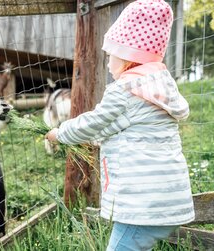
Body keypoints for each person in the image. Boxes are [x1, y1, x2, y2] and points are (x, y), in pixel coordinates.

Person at [45, 0, 195, 250]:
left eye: (110, 56)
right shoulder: (158, 87)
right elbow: (121, 125)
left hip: (142, 205)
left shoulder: (124, 91)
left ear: (128, 58)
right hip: (168, 200)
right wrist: (96, 139)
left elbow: (93, 122)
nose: (107, 63)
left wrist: (60, 134)